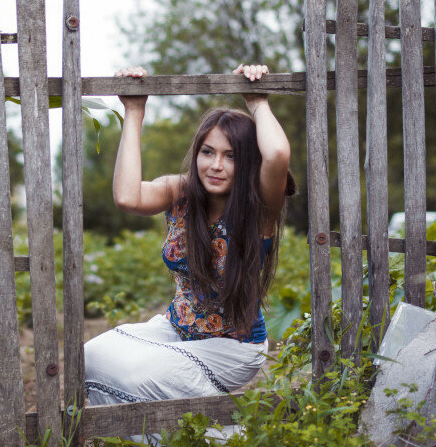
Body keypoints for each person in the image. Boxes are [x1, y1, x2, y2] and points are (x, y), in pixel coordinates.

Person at [84, 64, 294, 407]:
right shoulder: (179, 191)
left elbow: (278, 154)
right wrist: (135, 109)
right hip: (177, 328)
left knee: (142, 376)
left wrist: (257, 101)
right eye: (208, 152)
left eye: (231, 156)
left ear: (247, 164)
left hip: (234, 348)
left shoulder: (258, 208)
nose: (215, 165)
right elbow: (127, 197)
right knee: (90, 357)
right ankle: (149, 446)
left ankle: (226, 441)